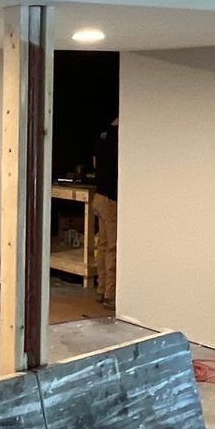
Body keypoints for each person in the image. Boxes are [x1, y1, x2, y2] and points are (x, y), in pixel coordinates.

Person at [92, 116, 118, 308]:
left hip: (99, 196)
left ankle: (101, 290)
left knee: (102, 245)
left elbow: (95, 163)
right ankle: (111, 295)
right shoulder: (120, 138)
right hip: (111, 199)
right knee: (113, 248)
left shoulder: (102, 135)